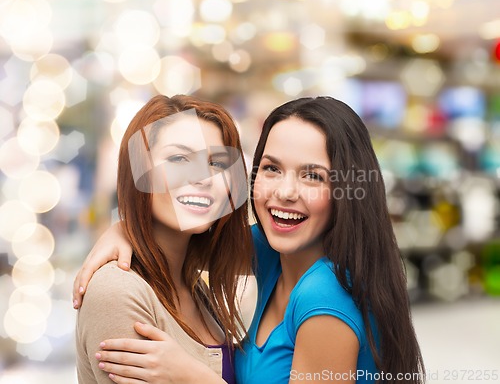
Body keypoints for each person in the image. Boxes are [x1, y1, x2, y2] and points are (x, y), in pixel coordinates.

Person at [74, 96, 425, 383]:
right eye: (272, 168)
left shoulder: (324, 294)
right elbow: (196, 245)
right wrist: (124, 228)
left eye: (313, 176)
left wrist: (196, 379)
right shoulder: (272, 253)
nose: (285, 192)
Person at [75, 94, 253, 384]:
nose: (203, 178)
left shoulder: (192, 284)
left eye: (218, 163)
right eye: (179, 158)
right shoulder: (117, 291)